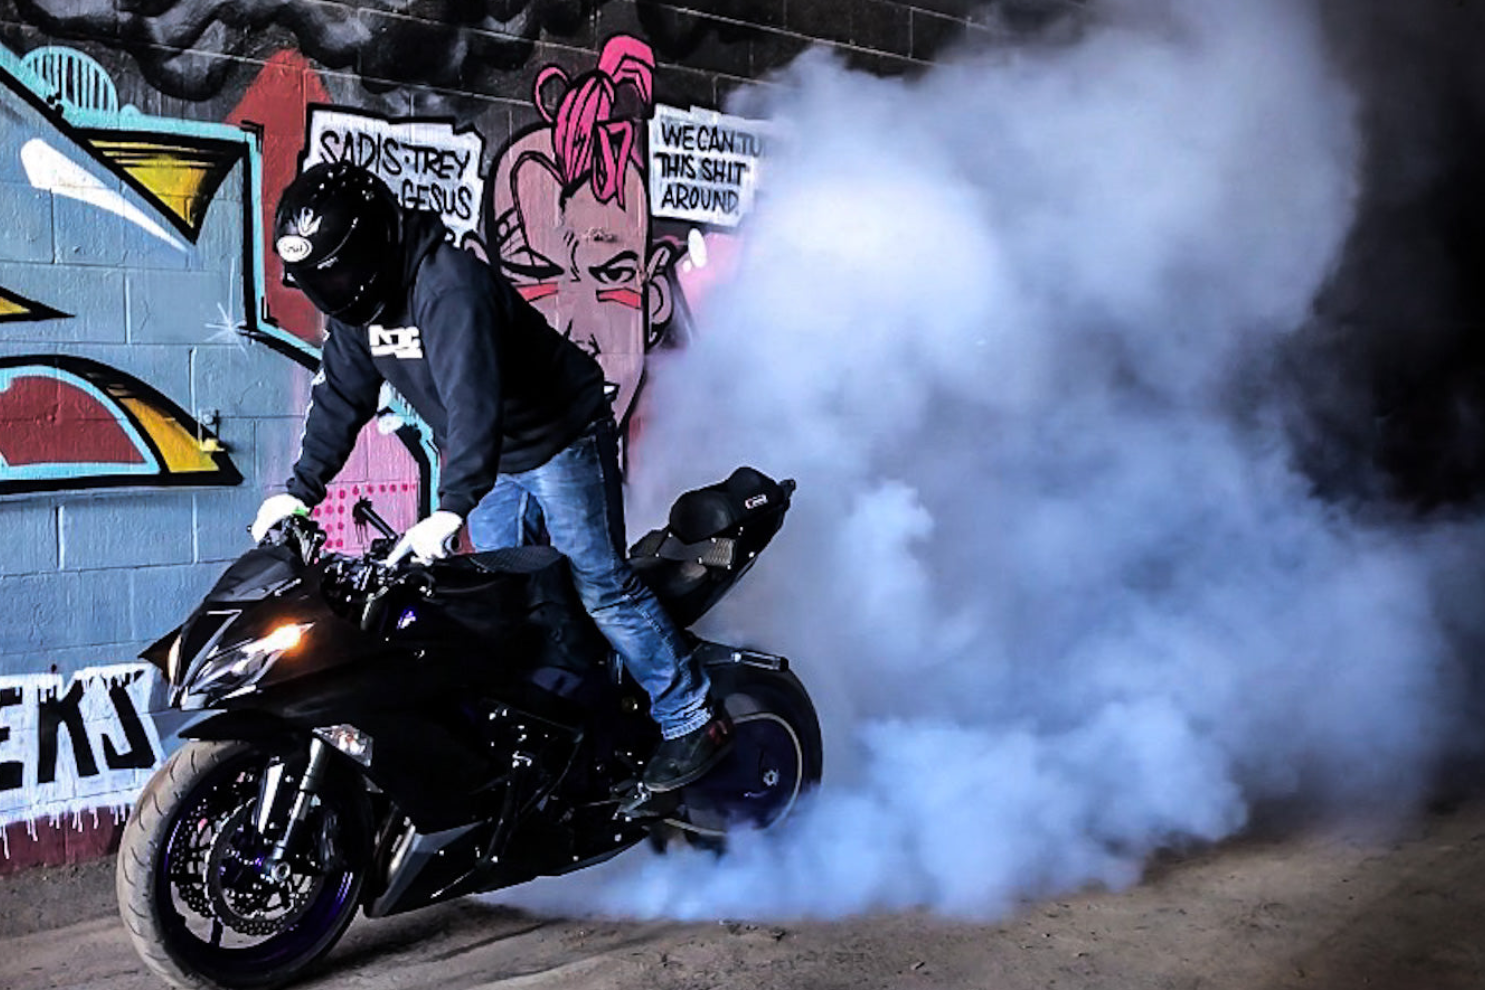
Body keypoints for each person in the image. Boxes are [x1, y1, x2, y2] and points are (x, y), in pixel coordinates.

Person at [250, 161, 732, 792]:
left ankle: (691, 715)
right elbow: (341, 398)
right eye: (320, 280)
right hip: (495, 460)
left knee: (600, 584)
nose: (332, 289)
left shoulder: (448, 287)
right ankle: (576, 726)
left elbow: (472, 400)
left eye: (337, 271)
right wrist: (298, 493)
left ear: (372, 245)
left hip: (558, 437)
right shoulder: (356, 311)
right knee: (518, 600)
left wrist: (450, 509)